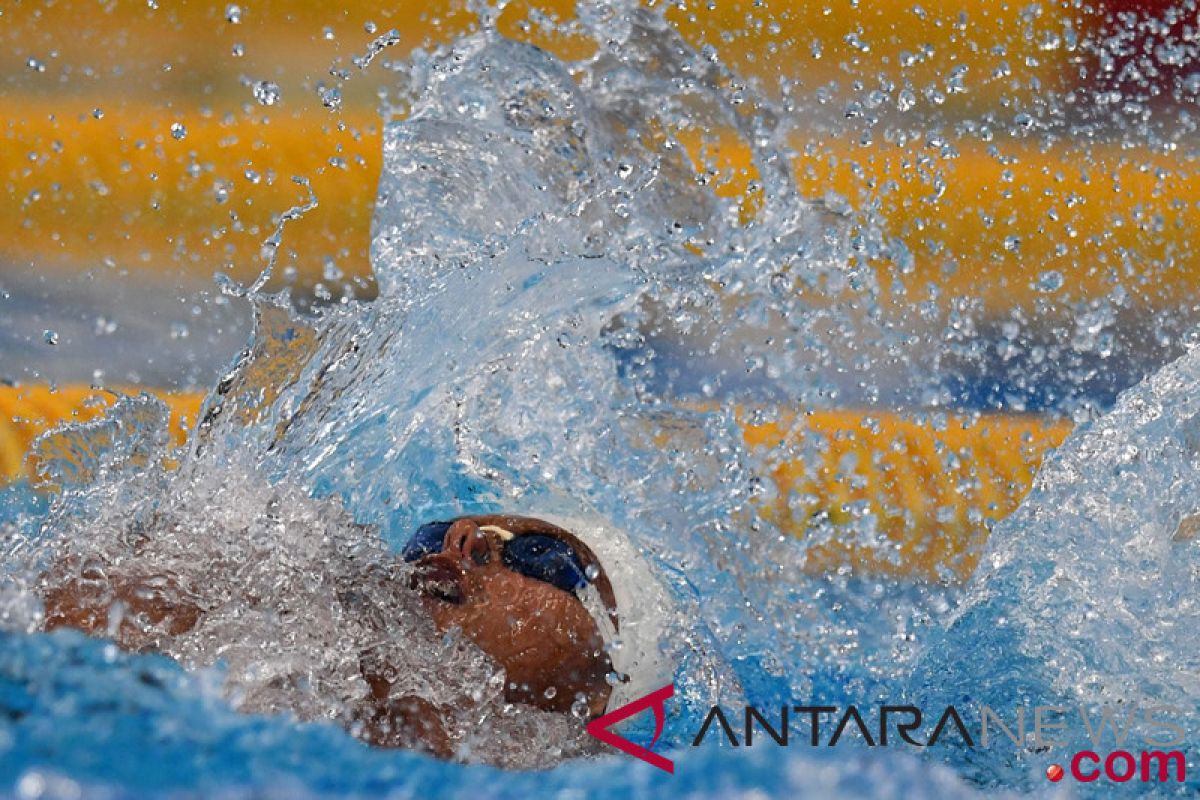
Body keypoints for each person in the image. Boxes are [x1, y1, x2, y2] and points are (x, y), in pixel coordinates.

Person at [38, 512, 646, 758]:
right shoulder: (302, 617)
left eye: (540, 555)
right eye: (439, 526)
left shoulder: (534, 763)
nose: (464, 537)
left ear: (602, 681)